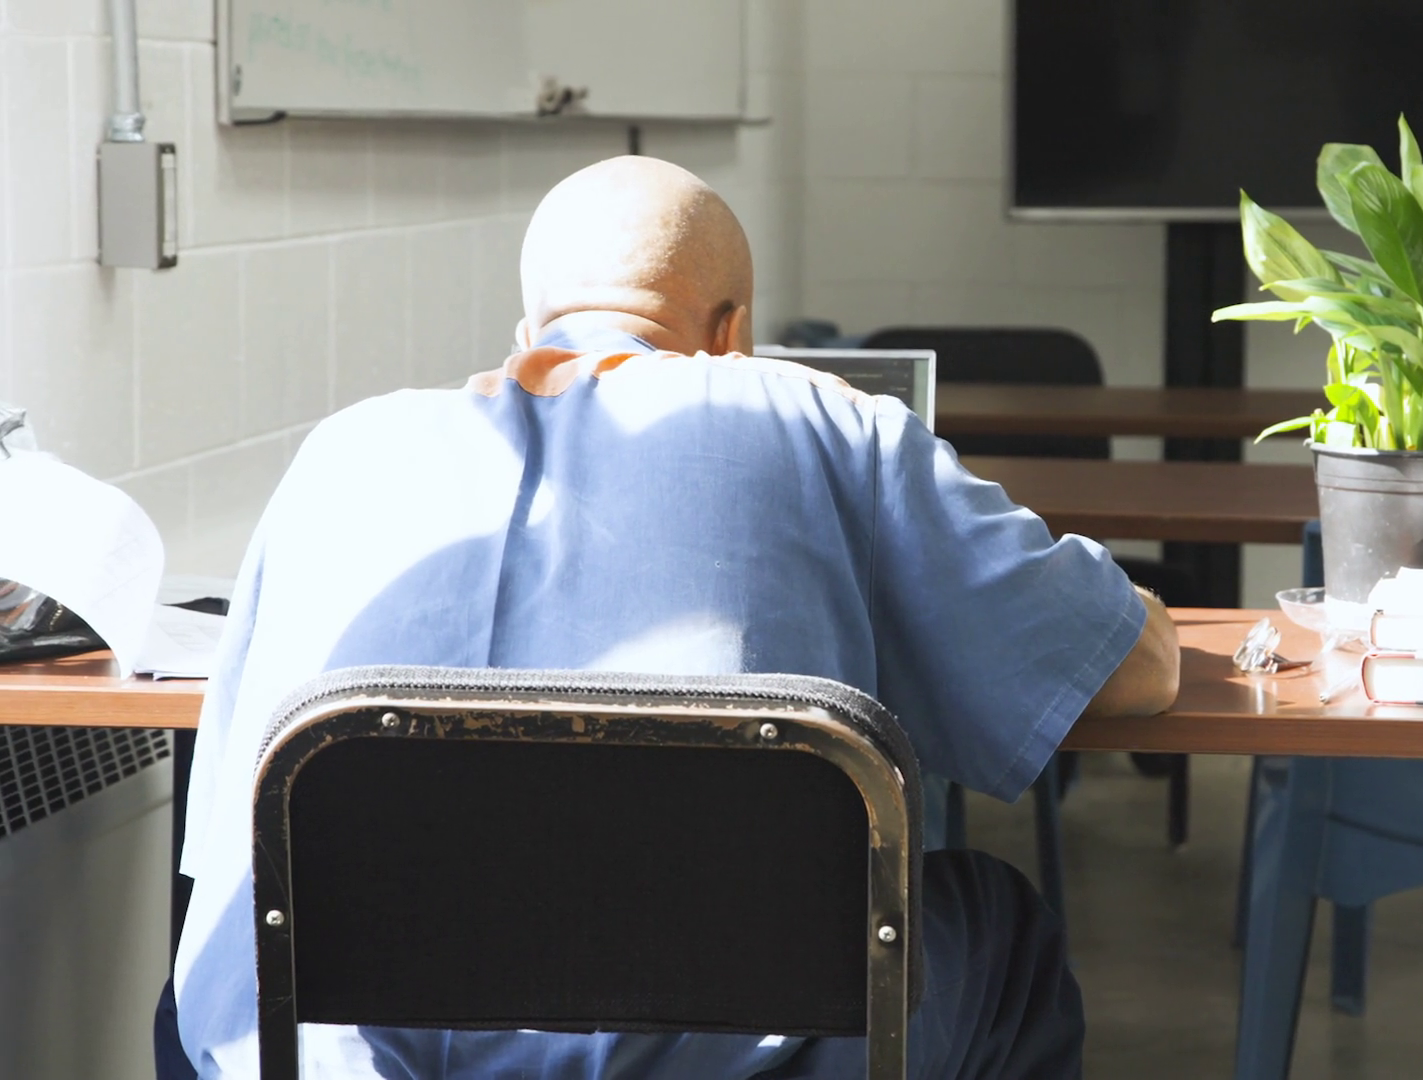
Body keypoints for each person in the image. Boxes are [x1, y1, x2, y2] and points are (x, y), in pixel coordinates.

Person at [165, 155, 1179, 1080]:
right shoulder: (823, 419)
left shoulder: (341, 455)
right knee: (999, 926)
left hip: (340, 1059)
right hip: (736, 1050)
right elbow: (1132, 671)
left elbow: (230, 835)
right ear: (733, 334)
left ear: (526, 336)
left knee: (204, 988)